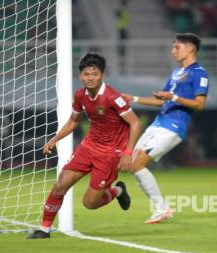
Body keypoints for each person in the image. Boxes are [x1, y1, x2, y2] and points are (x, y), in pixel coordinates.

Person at [27, 53, 141, 239]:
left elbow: (135, 123)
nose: (90, 78)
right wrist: (54, 139)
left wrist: (128, 152)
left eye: (95, 74)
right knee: (60, 185)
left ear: (103, 75)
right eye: (86, 74)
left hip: (110, 154)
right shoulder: (80, 95)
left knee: (90, 203)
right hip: (88, 148)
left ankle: (118, 191)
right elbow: (74, 120)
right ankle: (44, 229)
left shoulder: (113, 97)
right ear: (80, 76)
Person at [118, 33, 209, 224]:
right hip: (158, 123)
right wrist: (133, 99)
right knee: (129, 164)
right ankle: (157, 207)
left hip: (174, 126)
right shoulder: (176, 73)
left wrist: (173, 98)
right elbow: (161, 100)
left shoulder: (199, 73)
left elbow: (200, 104)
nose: (172, 50)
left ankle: (161, 209)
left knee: (136, 164)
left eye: (177, 47)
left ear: (190, 48)